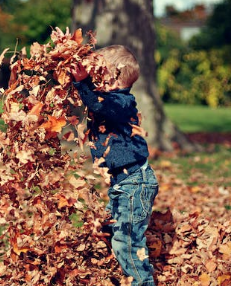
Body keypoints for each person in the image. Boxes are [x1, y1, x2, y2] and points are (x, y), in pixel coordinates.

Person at [71, 45, 159, 286]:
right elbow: (94, 102)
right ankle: (117, 271)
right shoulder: (110, 100)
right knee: (112, 230)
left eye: (97, 74)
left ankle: (142, 282)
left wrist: (82, 84)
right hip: (123, 185)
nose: (93, 79)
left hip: (134, 184)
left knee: (127, 241)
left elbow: (98, 104)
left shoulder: (121, 102)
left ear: (112, 78)